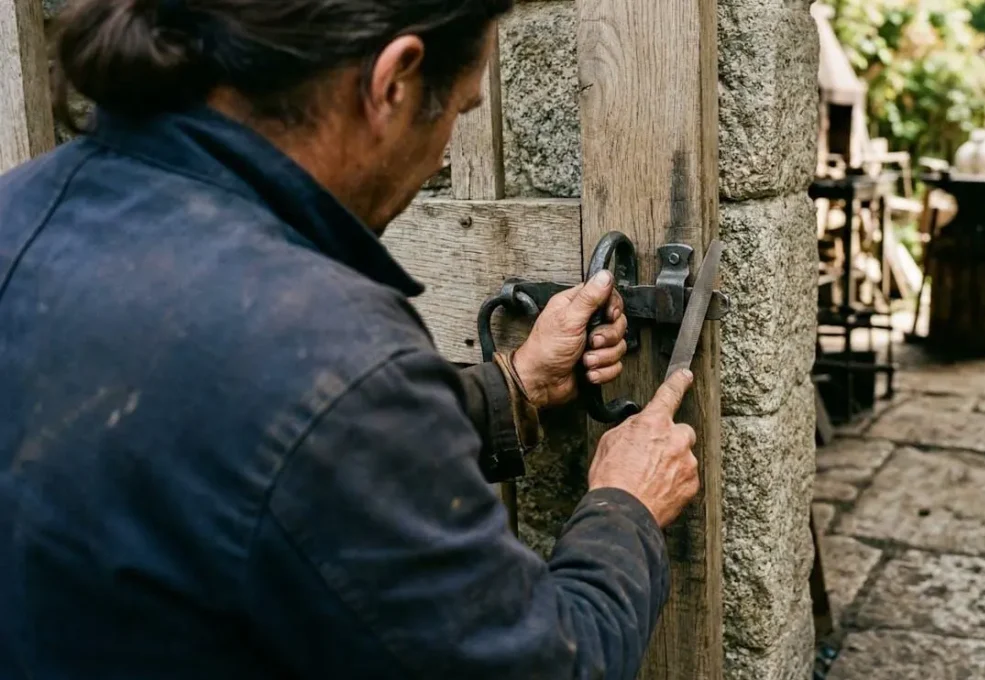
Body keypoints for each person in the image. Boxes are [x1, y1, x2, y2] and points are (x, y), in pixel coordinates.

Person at [0, 0, 700, 677]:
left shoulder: (21, 210)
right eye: (458, 112)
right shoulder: (335, 353)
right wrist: (625, 507)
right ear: (393, 81)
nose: (438, 158)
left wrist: (514, 386)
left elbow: (226, 436)